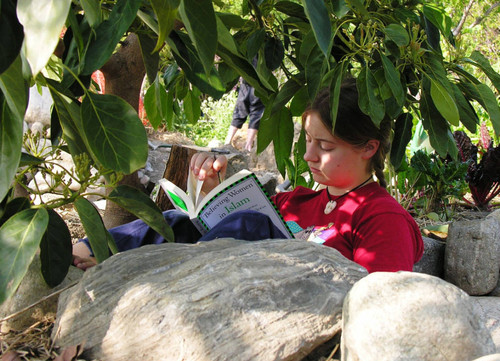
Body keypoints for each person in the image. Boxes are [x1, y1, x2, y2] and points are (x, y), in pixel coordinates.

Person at [74, 78, 423, 273]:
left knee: (252, 225)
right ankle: (86, 251)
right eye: (308, 141)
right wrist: (212, 191)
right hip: (226, 278)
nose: (308, 155)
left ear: (368, 148)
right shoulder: (297, 201)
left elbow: (381, 300)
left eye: (325, 146)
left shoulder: (381, 217)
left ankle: (148, 277)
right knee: (179, 219)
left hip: (289, 300)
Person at [225, 75, 265, 151]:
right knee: (254, 113)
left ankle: (228, 142)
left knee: (244, 112)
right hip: (253, 82)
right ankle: (247, 146)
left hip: (250, 81)